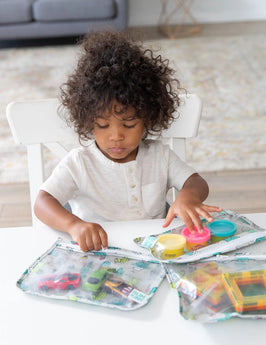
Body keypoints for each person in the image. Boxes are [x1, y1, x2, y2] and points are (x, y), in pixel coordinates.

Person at [34, 31, 222, 252]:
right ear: (87, 121)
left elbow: (196, 181)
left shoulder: (159, 155)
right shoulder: (79, 162)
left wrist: (187, 196)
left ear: (148, 119)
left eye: (129, 124)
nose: (116, 136)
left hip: (156, 249)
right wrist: (74, 225)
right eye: (103, 126)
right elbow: (42, 202)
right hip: (98, 251)